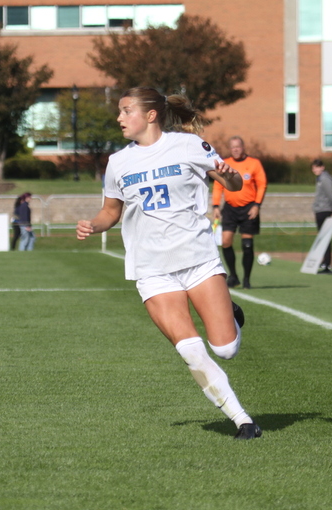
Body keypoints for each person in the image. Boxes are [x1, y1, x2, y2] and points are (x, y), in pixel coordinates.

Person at [76, 87, 261, 440]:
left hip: (197, 257)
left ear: (150, 115)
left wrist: (229, 174)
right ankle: (242, 420)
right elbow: (110, 211)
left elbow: (233, 184)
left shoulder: (189, 145)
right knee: (191, 351)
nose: (119, 118)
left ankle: (233, 316)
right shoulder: (118, 162)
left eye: (125, 110)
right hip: (151, 267)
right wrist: (93, 224)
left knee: (225, 348)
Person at [212, 136, 268, 289]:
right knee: (226, 242)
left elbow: (262, 185)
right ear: (230, 149)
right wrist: (216, 206)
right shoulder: (225, 164)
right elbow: (218, 185)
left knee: (247, 245)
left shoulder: (254, 164)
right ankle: (233, 276)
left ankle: (247, 280)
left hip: (249, 208)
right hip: (230, 208)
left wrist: (257, 205)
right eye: (232, 147)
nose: (235, 149)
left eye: (238, 147)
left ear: (243, 147)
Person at [311, 159, 332, 273]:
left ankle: (326, 263)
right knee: (322, 237)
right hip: (319, 210)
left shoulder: (325, 178)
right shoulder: (319, 179)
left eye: (317, 167)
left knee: (325, 237)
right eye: (313, 168)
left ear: (322, 167)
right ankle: (324, 261)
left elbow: (330, 195)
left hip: (325, 210)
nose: (315, 170)